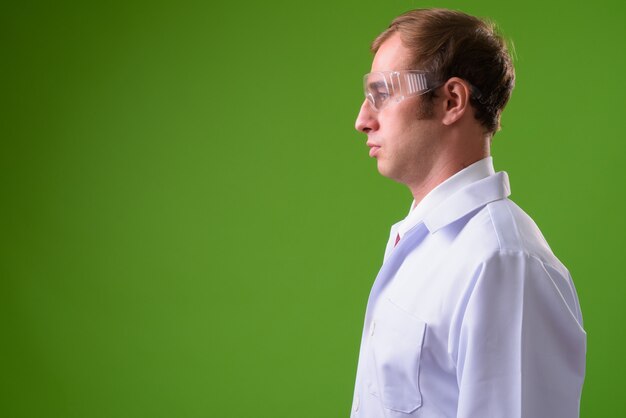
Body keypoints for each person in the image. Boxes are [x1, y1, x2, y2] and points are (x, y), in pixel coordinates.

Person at [351, 8, 586, 418]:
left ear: (451, 100)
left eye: (382, 94)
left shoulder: (502, 263)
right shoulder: (421, 243)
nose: (362, 120)